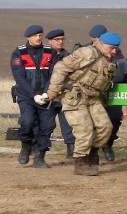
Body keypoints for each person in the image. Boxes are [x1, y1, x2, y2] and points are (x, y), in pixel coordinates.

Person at [46, 32, 120, 176]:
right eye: (112, 47)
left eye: (116, 48)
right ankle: (80, 162)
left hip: (94, 97)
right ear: (103, 44)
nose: (114, 51)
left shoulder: (107, 60)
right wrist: (53, 90)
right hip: (74, 96)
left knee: (105, 127)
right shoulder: (86, 52)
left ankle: (92, 154)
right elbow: (61, 67)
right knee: (84, 130)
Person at [10, 25, 56, 168]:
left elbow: (55, 74)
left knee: (47, 126)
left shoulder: (50, 52)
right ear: (28, 37)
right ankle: (26, 145)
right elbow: (20, 77)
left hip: (46, 95)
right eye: (35, 35)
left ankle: (39, 157)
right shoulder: (19, 52)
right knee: (27, 122)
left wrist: (46, 92)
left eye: (40, 35)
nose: (38, 38)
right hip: (26, 95)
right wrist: (33, 95)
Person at [85, 24, 124, 162]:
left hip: (111, 90)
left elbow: (120, 68)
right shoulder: (85, 50)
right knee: (91, 123)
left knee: (114, 118)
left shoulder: (115, 50)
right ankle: (91, 152)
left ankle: (108, 144)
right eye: (95, 38)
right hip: (91, 92)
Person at [45, 29, 75, 159]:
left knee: (67, 123)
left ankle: (71, 149)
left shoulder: (69, 57)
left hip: (64, 94)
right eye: (57, 40)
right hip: (47, 95)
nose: (61, 42)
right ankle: (41, 149)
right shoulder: (44, 56)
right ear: (49, 41)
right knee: (46, 123)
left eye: (62, 39)